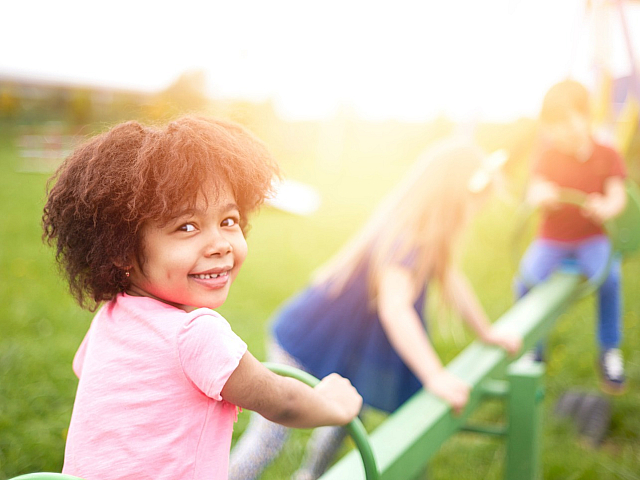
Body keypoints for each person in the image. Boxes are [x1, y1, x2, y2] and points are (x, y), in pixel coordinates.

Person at [41, 116, 362, 480]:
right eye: (187, 227)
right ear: (120, 250)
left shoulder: (111, 317)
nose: (220, 244)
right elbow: (282, 402)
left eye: (229, 220)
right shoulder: (196, 334)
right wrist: (333, 406)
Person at [229, 138, 522, 480]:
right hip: (306, 340)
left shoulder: (431, 234)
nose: (475, 210)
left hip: (345, 348)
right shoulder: (407, 236)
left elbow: (451, 280)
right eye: (472, 201)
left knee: (343, 419)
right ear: (451, 195)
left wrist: (486, 331)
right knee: (270, 437)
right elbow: (395, 308)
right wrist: (435, 375)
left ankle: (310, 475)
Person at [514, 79, 628, 394]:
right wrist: (542, 194)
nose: (561, 131)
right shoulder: (548, 156)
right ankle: (533, 348)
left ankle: (609, 349)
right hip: (552, 239)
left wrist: (605, 206)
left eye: (567, 121)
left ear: (586, 116)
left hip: (592, 238)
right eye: (553, 125)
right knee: (524, 282)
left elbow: (617, 196)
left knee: (611, 279)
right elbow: (534, 189)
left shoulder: (607, 154)